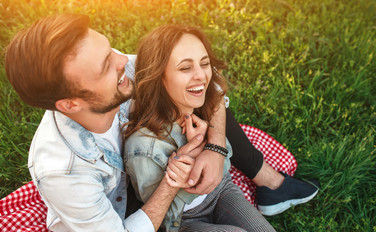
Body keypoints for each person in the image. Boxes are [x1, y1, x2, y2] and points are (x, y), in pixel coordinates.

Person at [4, 13, 318, 231]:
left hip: (180, 184)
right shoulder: (65, 172)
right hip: (143, 214)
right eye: (105, 65)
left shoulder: (121, 72)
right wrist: (171, 182)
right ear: (71, 104)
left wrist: (216, 147)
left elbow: (209, 85)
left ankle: (267, 182)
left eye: (109, 48)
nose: (123, 61)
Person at [123, 25, 275, 231]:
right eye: (185, 68)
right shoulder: (144, 148)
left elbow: (223, 165)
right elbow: (162, 220)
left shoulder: (202, 106)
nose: (201, 76)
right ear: (158, 76)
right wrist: (186, 174)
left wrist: (210, 145)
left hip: (221, 192)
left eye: (204, 64)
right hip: (182, 221)